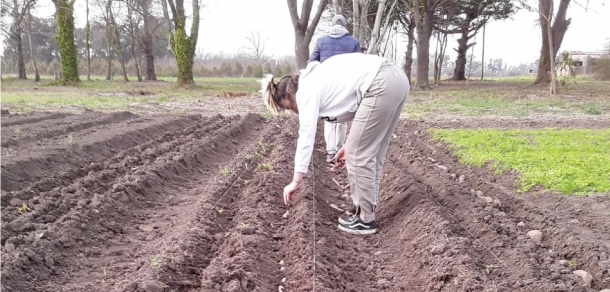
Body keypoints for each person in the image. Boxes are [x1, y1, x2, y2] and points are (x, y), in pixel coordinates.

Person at [260, 53, 409, 235]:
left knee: (359, 155)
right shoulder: (316, 78)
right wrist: (349, 144)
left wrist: (295, 181)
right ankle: (365, 210)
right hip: (396, 79)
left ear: (290, 94)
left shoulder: (306, 91)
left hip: (381, 82)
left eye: (290, 107)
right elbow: (362, 113)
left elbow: (306, 134)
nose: (295, 111)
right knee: (372, 152)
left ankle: (365, 220)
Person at [308, 14, 361, 163]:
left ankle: (330, 152)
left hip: (327, 86)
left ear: (331, 25)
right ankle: (340, 148)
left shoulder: (321, 41)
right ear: (344, 26)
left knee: (329, 119)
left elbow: (312, 62)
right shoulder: (353, 42)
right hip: (346, 84)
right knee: (343, 119)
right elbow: (359, 64)